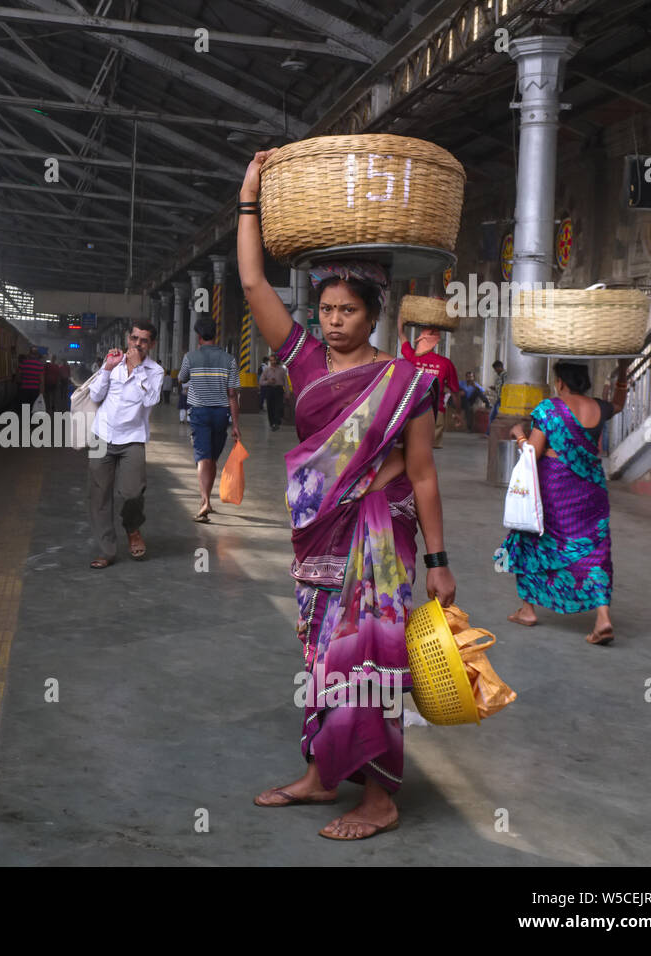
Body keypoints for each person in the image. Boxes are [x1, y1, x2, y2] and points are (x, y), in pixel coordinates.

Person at [237, 149, 455, 841]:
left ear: (372, 315)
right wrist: (249, 199)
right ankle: (323, 774)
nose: (332, 321)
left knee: (372, 657)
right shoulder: (304, 362)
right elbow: (251, 283)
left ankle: (379, 797)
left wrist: (439, 560)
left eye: (347, 311)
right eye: (325, 310)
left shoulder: (406, 382)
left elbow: (421, 473)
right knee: (321, 656)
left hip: (380, 538)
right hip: (318, 537)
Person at [502, 360, 630, 645]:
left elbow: (532, 454)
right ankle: (603, 618)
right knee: (596, 549)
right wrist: (622, 371)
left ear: (560, 381)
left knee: (532, 541)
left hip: (556, 490)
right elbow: (618, 404)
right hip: (591, 490)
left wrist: (519, 434)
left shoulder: (550, 409)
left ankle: (527, 610)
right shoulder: (598, 407)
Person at [86, 323, 164, 568]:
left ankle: (132, 527)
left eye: (143, 340)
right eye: (134, 338)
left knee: (132, 493)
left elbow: (151, 399)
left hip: (132, 439)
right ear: (128, 338)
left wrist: (138, 369)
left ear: (151, 345)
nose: (137, 344)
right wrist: (107, 368)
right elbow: (95, 396)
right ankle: (107, 551)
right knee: (100, 497)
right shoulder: (113, 363)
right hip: (103, 434)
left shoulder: (155, 371)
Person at [180, 317, 241, 522]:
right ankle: (207, 500)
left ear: (199, 336)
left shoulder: (190, 357)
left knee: (203, 458)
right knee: (212, 458)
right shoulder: (229, 359)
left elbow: (182, 377)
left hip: (199, 412)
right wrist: (236, 425)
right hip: (220, 414)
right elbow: (232, 394)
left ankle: (204, 501)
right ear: (216, 335)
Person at [396, 314, 460, 448]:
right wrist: (458, 413)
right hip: (436, 412)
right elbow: (455, 391)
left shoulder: (411, 357)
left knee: (409, 446)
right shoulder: (445, 363)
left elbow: (401, 335)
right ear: (436, 342)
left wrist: (401, 318)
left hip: (410, 409)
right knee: (429, 452)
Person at [261, 354, 288, 431]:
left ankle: (276, 423)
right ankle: (272, 423)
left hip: (279, 390)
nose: (272, 362)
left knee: (278, 407)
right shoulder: (267, 370)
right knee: (270, 407)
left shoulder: (282, 370)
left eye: (274, 360)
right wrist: (268, 381)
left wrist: (287, 392)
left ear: (277, 360)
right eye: (271, 360)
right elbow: (261, 381)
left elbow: (285, 382)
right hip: (270, 389)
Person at [487, 359, 507, 431]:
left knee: (496, 416)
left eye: (495, 369)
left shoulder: (505, 375)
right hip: (499, 398)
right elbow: (499, 387)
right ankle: (488, 433)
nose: (495, 371)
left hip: (503, 399)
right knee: (492, 416)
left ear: (499, 367)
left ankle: (490, 433)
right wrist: (494, 388)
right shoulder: (498, 376)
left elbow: (506, 387)